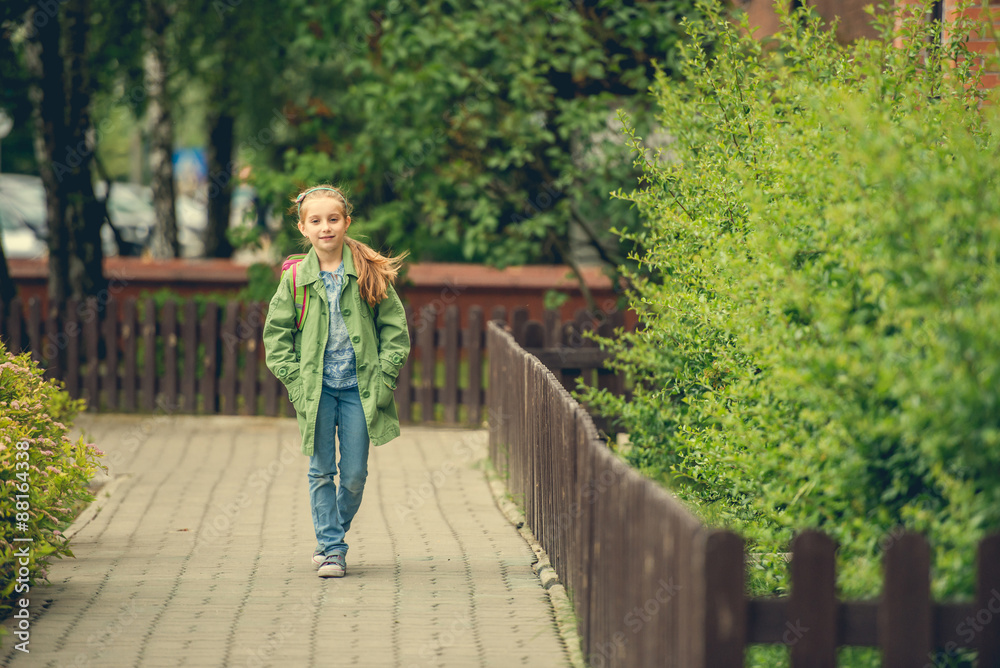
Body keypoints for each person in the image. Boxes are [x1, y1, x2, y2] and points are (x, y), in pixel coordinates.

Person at [262, 184, 410, 578]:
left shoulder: (368, 272)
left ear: (346, 222)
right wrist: (295, 382)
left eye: (333, 219)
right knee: (321, 469)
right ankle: (332, 550)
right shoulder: (295, 280)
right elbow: (276, 338)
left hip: (360, 391)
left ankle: (331, 535)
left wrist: (385, 378)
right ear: (303, 228)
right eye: (316, 221)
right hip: (317, 391)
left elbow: (396, 331)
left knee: (356, 474)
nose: (325, 227)